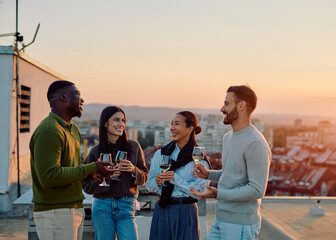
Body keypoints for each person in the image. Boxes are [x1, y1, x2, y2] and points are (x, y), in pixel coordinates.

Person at [30, 80, 114, 240]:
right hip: (55, 212)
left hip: (73, 208)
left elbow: (72, 167)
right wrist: (90, 168)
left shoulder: (72, 129)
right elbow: (49, 177)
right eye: (77, 94)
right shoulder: (49, 130)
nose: (82, 100)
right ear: (62, 97)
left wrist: (91, 174)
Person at [191, 85, 271, 240]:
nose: (222, 108)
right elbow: (232, 174)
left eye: (227, 104)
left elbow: (257, 189)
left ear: (241, 106)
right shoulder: (228, 137)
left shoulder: (255, 142)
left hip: (240, 225)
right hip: (221, 218)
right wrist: (209, 175)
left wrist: (219, 194)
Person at [82, 106, 148, 240]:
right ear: (105, 123)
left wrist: (133, 170)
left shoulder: (133, 147)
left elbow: (145, 177)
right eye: (116, 120)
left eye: (123, 120)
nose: (121, 124)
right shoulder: (96, 151)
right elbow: (86, 184)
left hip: (126, 205)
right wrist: (107, 179)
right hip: (102, 206)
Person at [146, 111, 211, 240]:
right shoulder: (161, 154)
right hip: (162, 209)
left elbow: (199, 191)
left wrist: (175, 178)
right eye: (171, 124)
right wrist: (158, 181)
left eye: (177, 124)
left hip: (186, 211)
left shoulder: (199, 159)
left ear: (190, 129)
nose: (172, 128)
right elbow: (149, 185)